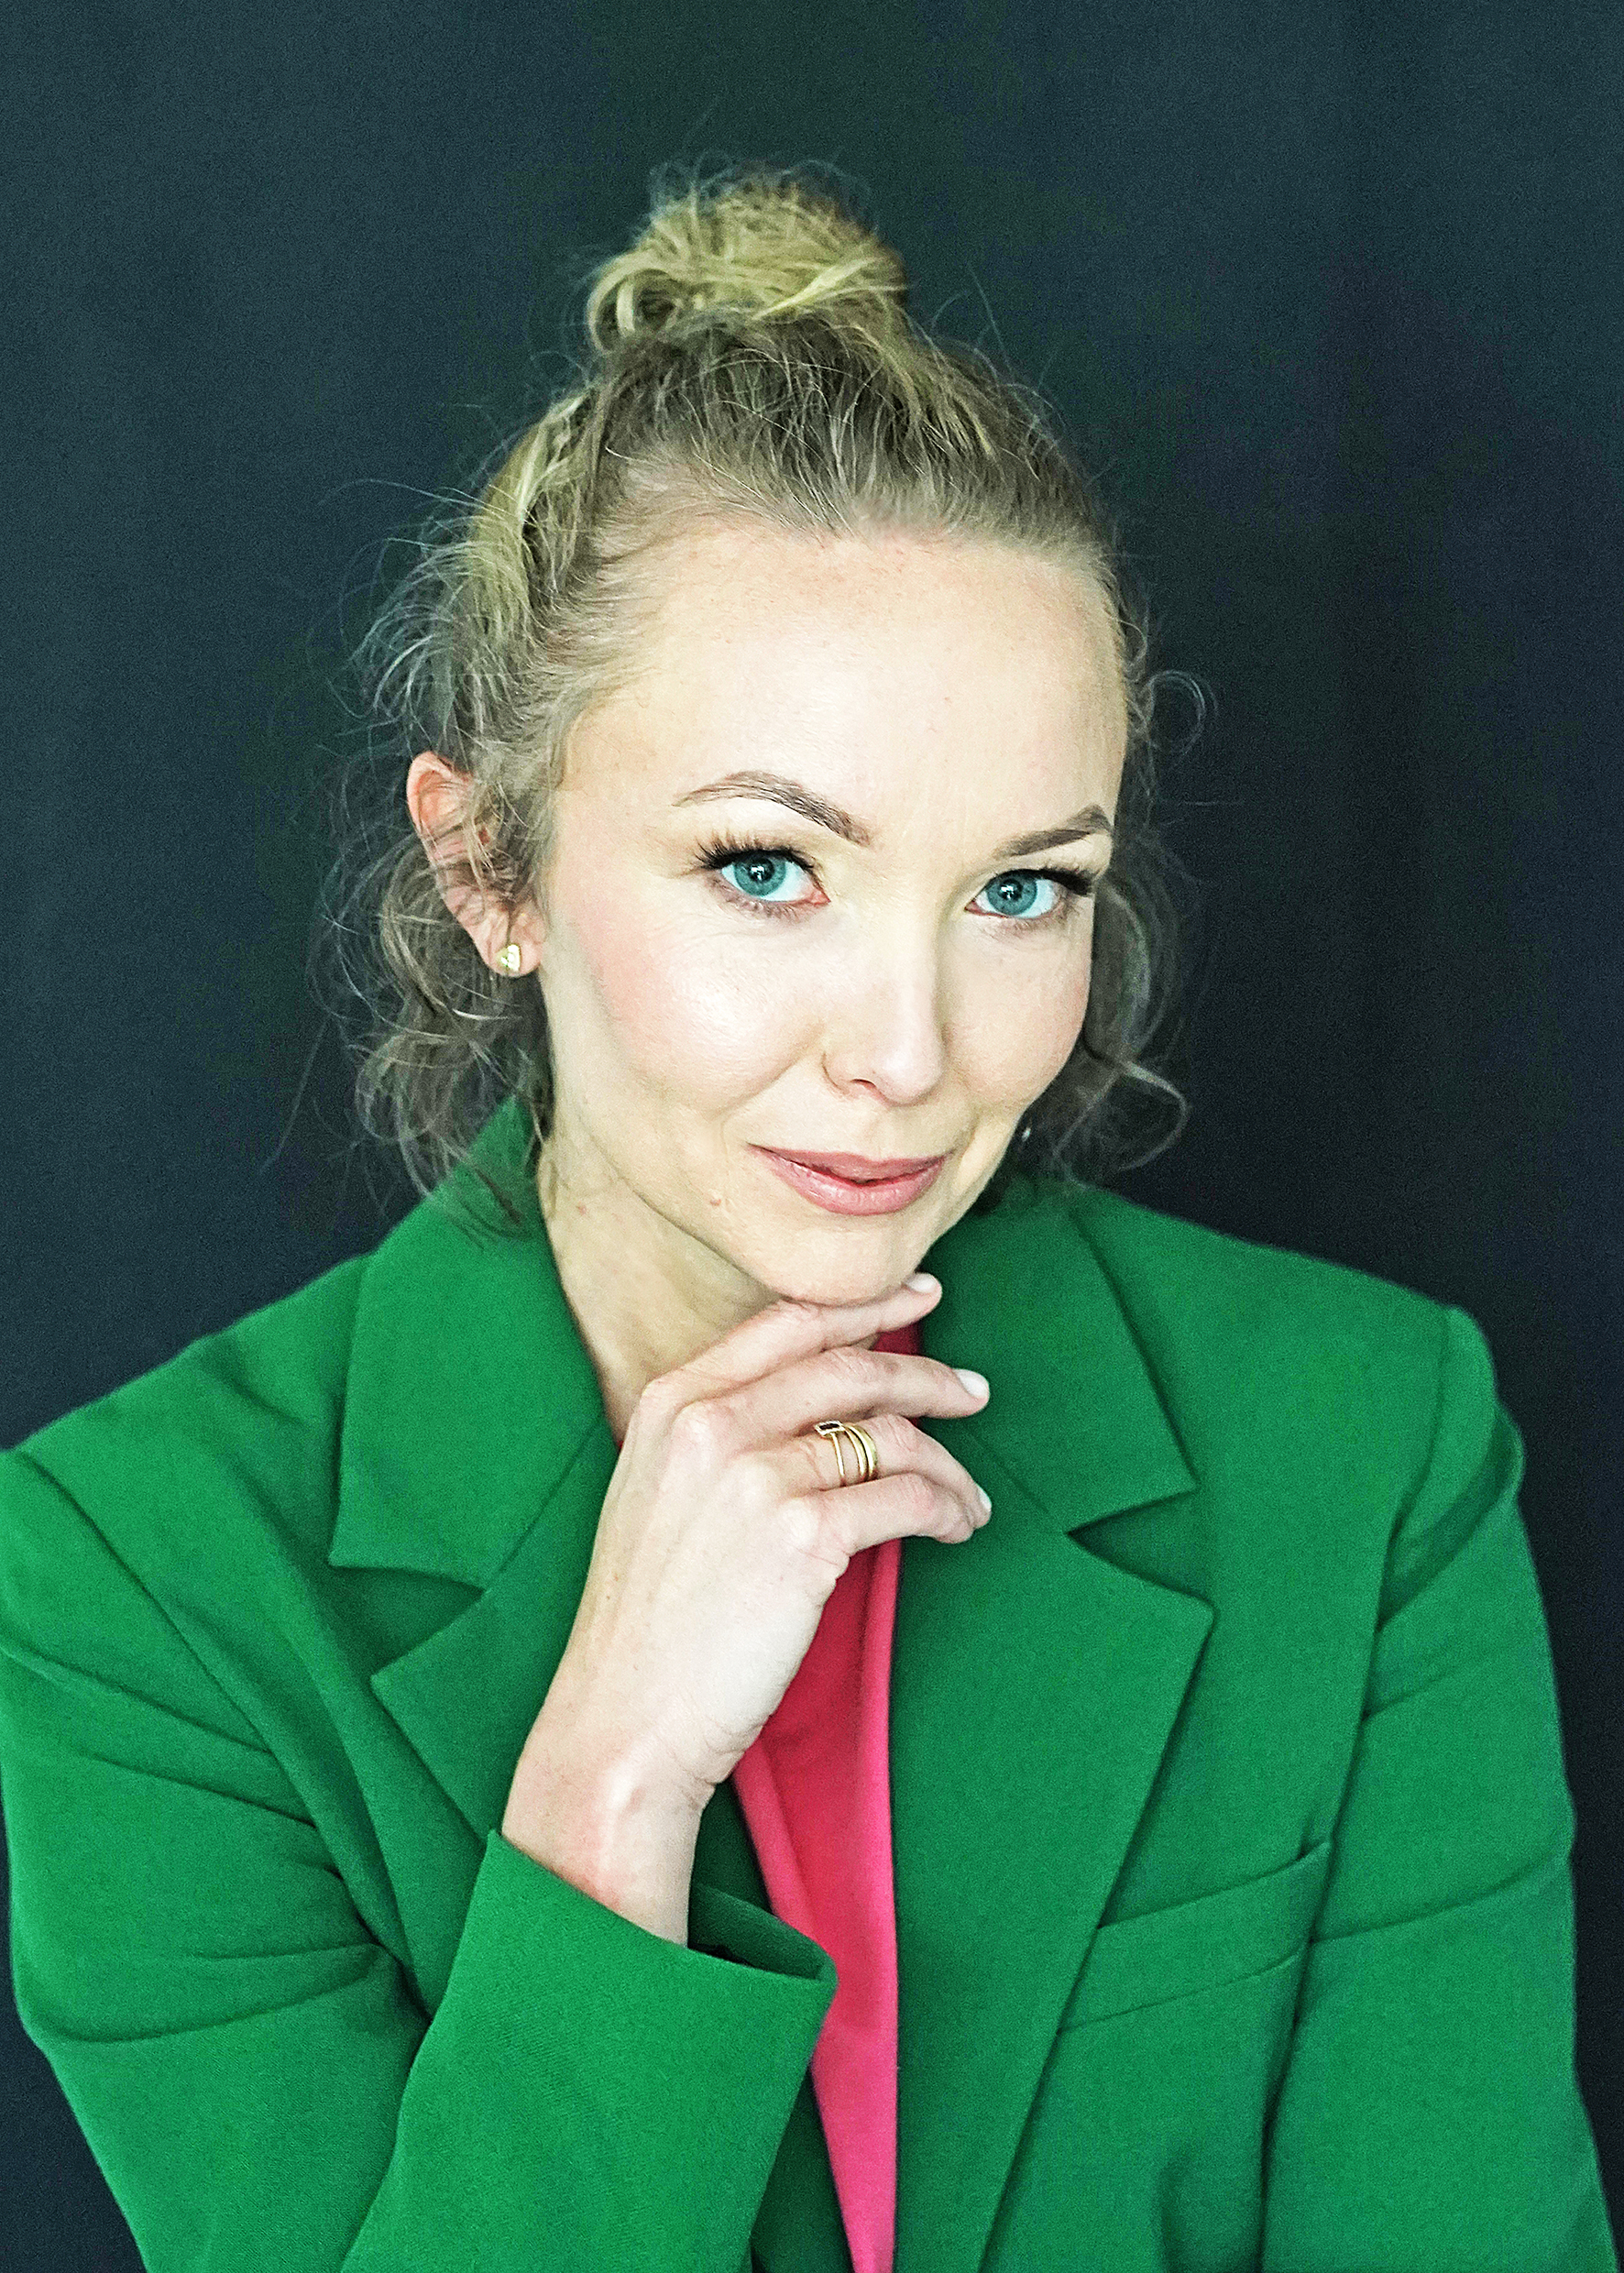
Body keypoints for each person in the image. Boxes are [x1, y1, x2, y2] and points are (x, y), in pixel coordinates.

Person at [0, 159, 1613, 2273]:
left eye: (1020, 887)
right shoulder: (133, 1588)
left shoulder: (1364, 1448)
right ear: (490, 872)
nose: (910, 1049)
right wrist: (610, 1788)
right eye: (766, 868)